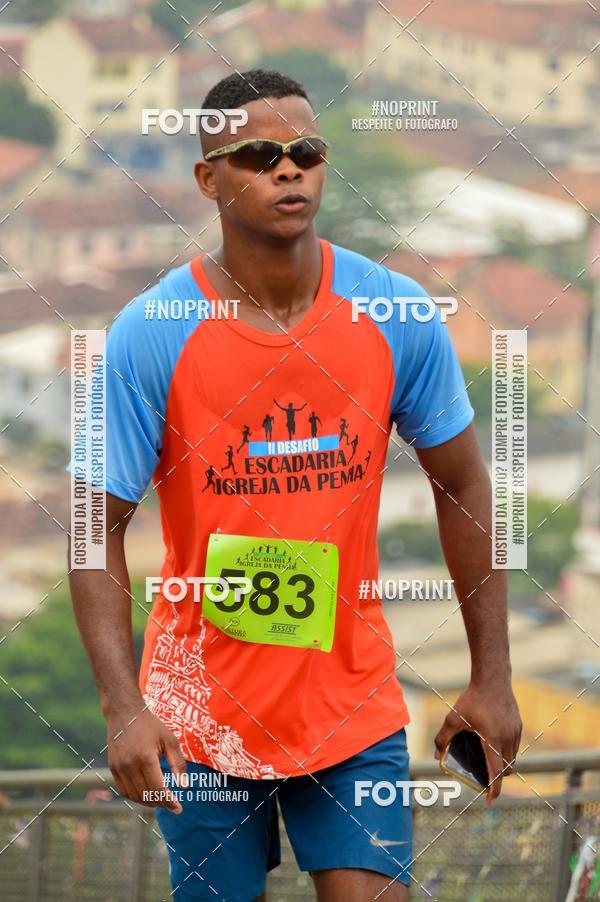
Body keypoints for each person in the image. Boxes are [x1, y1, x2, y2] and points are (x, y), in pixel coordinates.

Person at [68, 69, 522, 902]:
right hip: (198, 719)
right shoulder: (149, 335)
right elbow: (92, 529)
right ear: (209, 179)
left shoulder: (394, 314)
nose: (288, 170)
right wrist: (123, 707)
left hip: (352, 707)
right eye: (258, 155)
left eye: (305, 152)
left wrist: (491, 674)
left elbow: (462, 484)